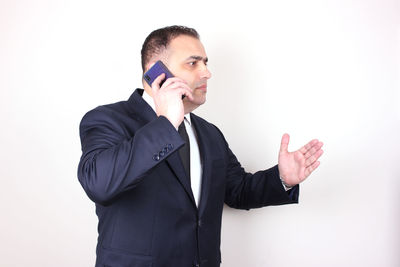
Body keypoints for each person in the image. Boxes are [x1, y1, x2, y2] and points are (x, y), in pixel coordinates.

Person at [77, 25, 323, 267]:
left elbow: (237, 190)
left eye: (206, 63)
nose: (207, 73)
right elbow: (99, 184)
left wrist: (283, 178)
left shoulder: (209, 133)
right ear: (156, 72)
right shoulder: (107, 120)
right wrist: (165, 124)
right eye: (193, 63)